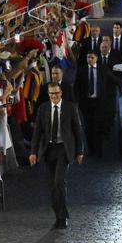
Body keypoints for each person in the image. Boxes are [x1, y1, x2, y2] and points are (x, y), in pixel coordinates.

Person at [29, 82, 85, 229]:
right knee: (53, 185)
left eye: (56, 93)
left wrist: (80, 151)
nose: (54, 96)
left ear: (61, 93)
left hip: (63, 149)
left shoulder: (70, 108)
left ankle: (62, 217)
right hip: (48, 150)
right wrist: (33, 152)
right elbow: (37, 133)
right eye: (51, 94)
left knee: (59, 182)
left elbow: (78, 131)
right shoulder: (43, 109)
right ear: (48, 94)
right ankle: (59, 215)